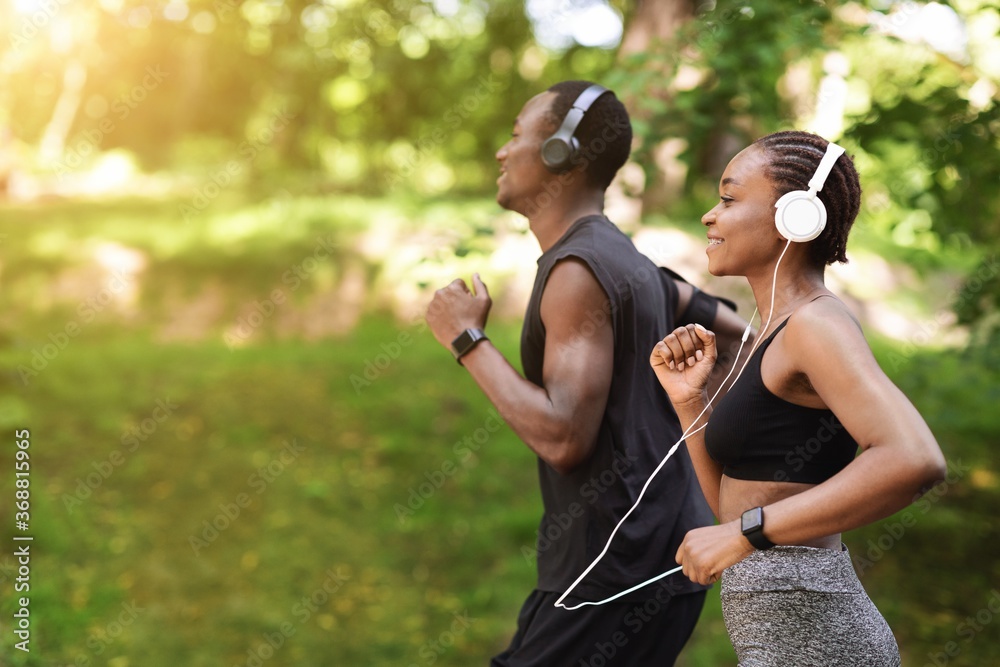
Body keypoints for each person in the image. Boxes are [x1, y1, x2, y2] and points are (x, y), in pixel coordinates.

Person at [425, 80, 750, 666]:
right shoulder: (625, 259)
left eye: (518, 136)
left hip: (615, 566)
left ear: (561, 153)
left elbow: (564, 437)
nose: (502, 151)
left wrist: (467, 339)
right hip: (646, 555)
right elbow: (730, 325)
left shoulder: (579, 269)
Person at [650, 130, 947, 666]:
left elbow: (914, 458)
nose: (708, 216)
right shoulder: (770, 332)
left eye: (729, 198)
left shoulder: (817, 324)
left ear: (796, 217)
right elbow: (731, 507)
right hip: (779, 635)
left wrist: (744, 535)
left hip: (821, 638)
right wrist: (689, 402)